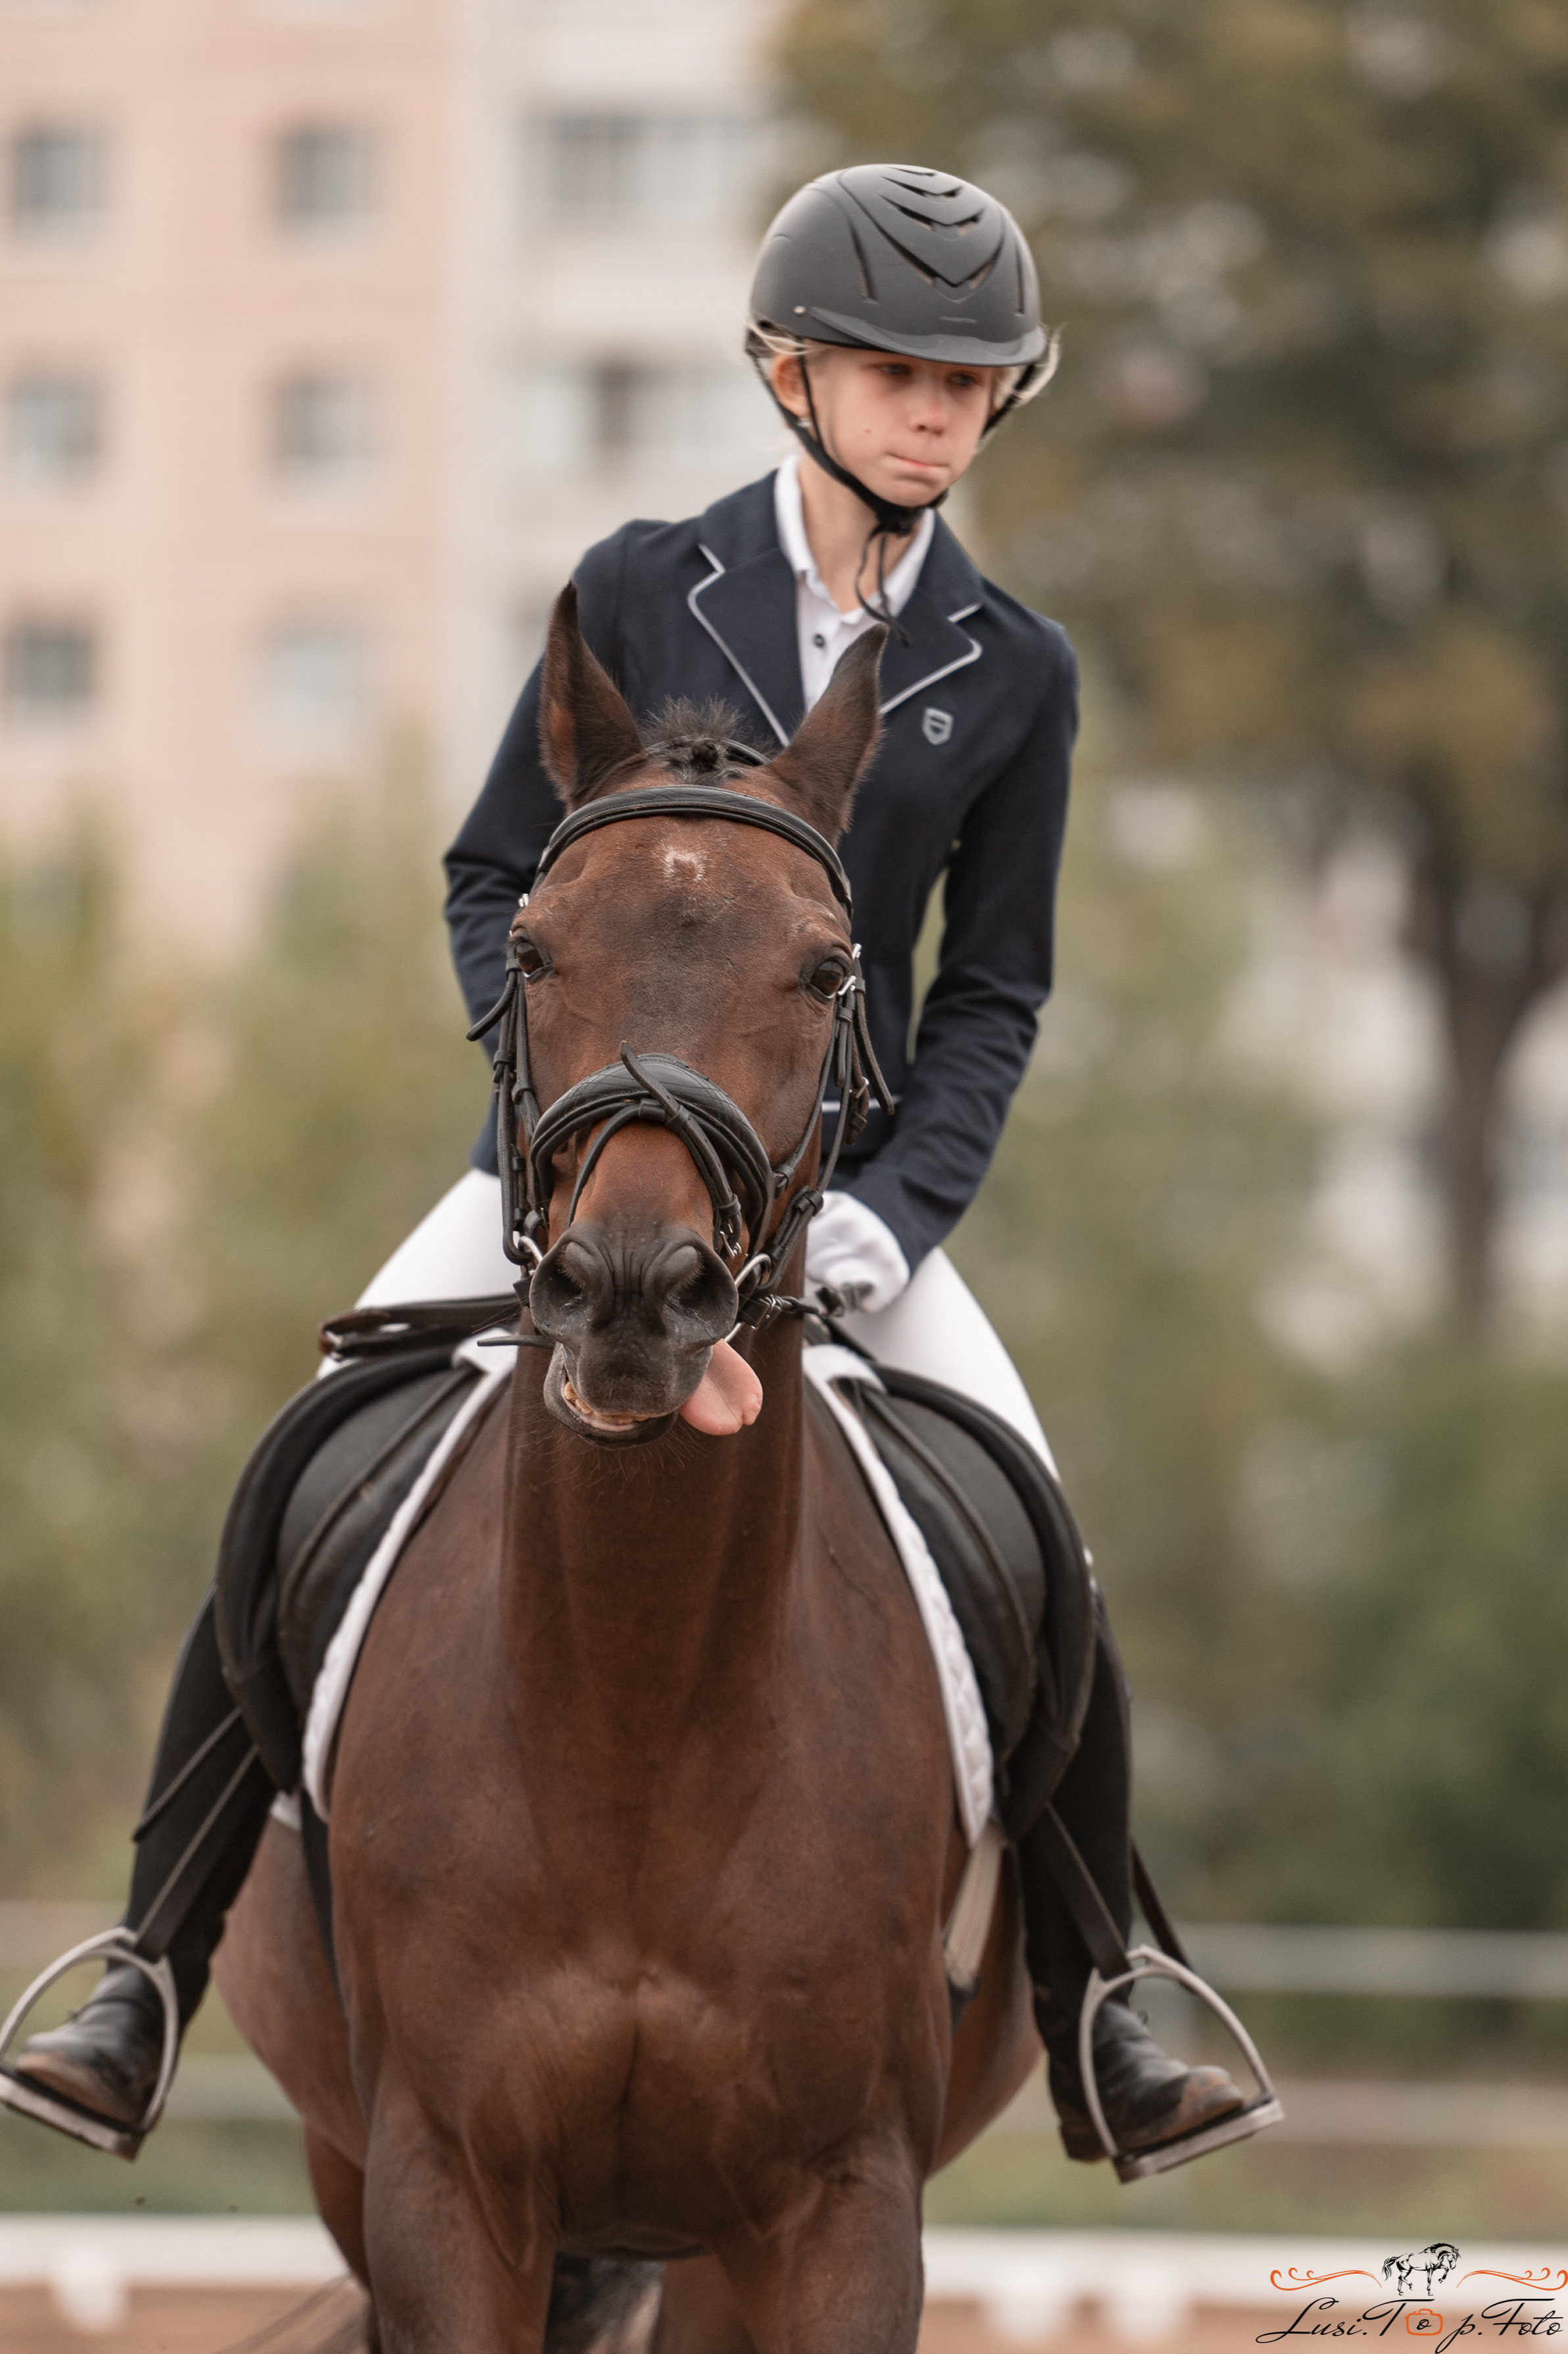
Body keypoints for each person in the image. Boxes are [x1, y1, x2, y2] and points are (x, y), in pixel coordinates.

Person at [3, 164, 1253, 2172]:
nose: (933, 414)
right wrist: (556, 1121)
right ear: (789, 373)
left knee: (1049, 1544)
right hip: (579, 1174)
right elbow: (498, 871)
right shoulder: (639, 583)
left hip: (839, 1200)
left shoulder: (1013, 672)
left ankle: (1106, 1996)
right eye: (892, 374)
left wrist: (895, 1206)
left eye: (967, 383)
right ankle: (146, 1965)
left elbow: (995, 989)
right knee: (301, 1463)